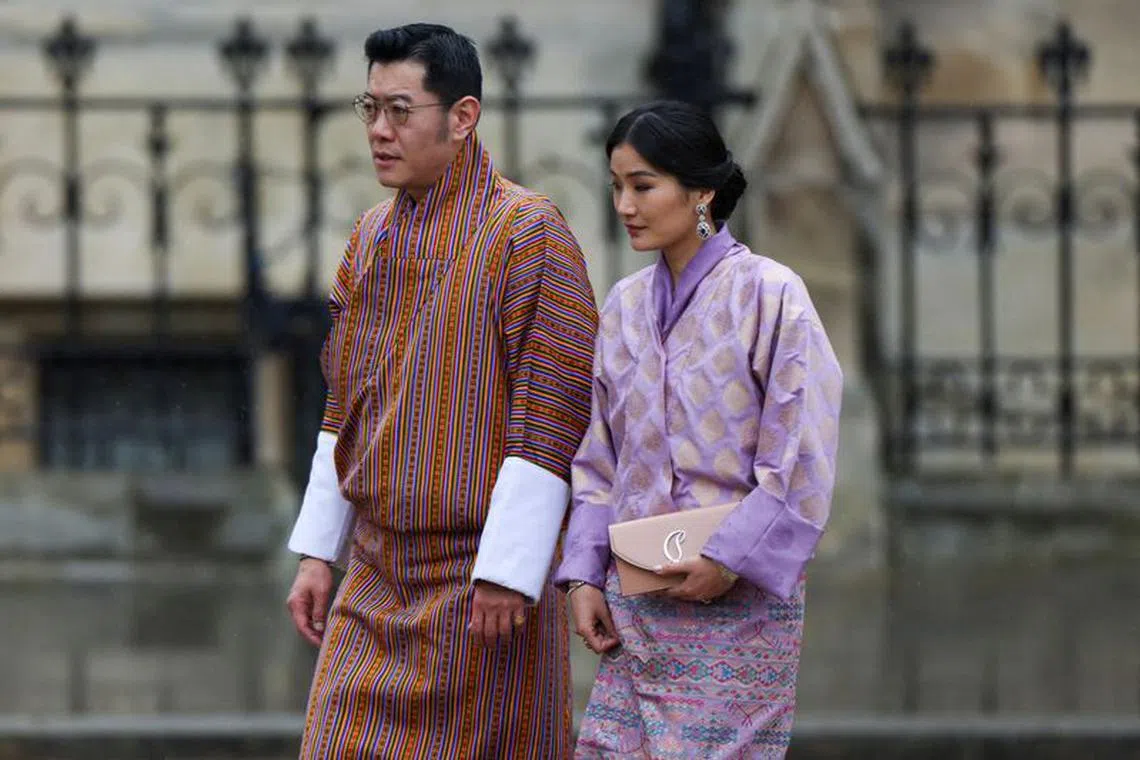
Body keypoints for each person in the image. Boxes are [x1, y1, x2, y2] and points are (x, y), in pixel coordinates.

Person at [283, 23, 598, 759]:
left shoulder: (528, 233)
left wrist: (509, 573)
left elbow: (551, 414)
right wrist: (314, 555)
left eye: (401, 110)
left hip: (479, 587)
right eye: (370, 108)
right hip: (374, 576)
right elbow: (343, 405)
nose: (379, 132)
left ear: (462, 118)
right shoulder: (370, 236)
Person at [553, 100, 843, 759]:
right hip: (640, 604)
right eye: (617, 186)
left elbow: (802, 449)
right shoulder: (623, 306)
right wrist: (583, 576)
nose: (625, 205)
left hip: (739, 610)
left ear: (702, 190)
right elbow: (599, 457)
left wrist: (728, 557)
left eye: (644, 185)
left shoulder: (771, 295)